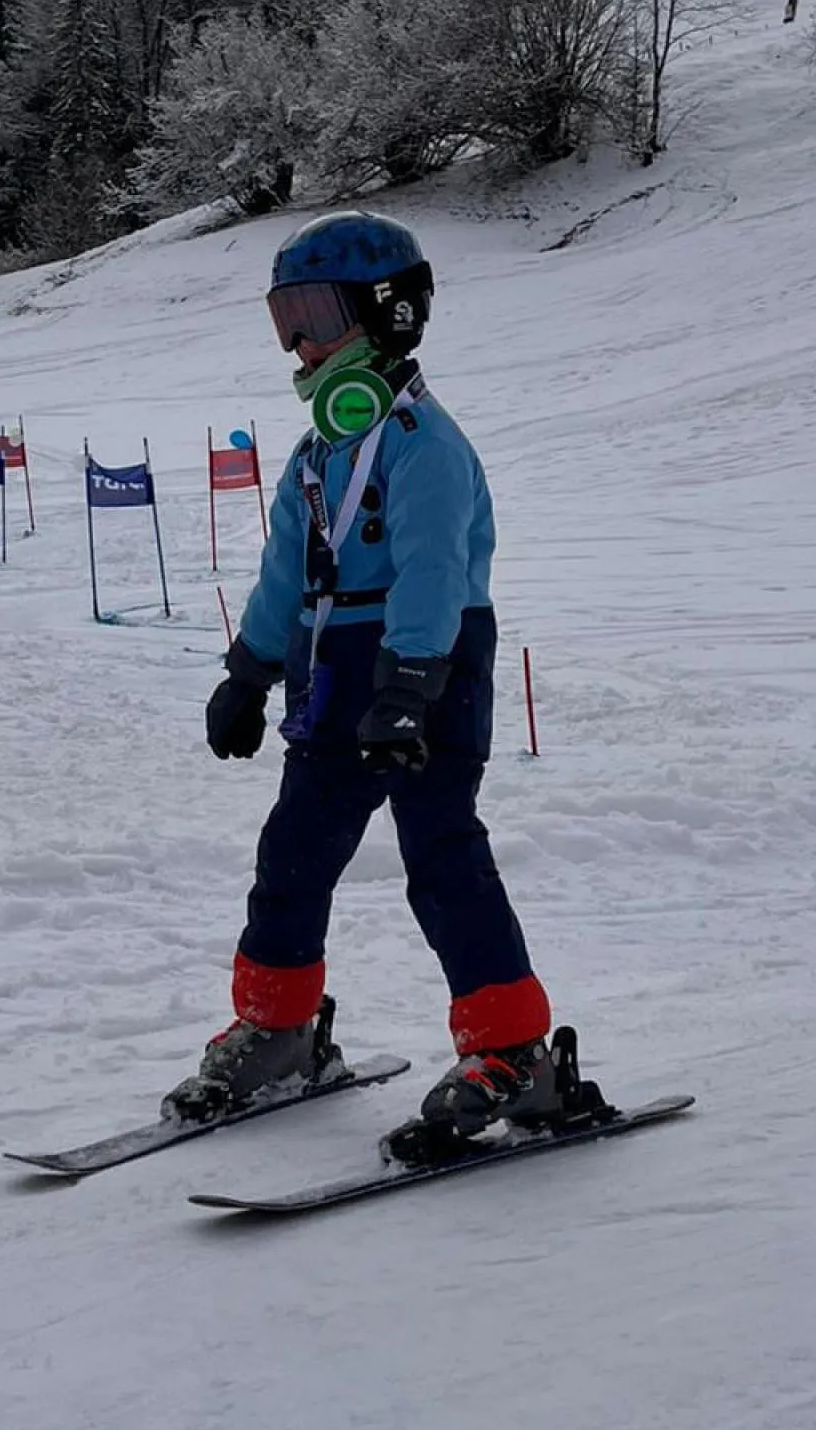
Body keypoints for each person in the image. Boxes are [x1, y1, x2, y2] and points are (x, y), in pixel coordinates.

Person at [168, 209, 561, 1158]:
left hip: (428, 668)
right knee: (294, 851)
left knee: (440, 853)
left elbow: (432, 573)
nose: (298, 344)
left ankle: (513, 1049)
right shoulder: (317, 457)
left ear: (388, 314)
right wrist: (250, 671)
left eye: (315, 316)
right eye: (286, 319)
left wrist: (409, 684)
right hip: (334, 669)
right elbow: (284, 575)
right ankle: (278, 1029)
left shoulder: (427, 445)